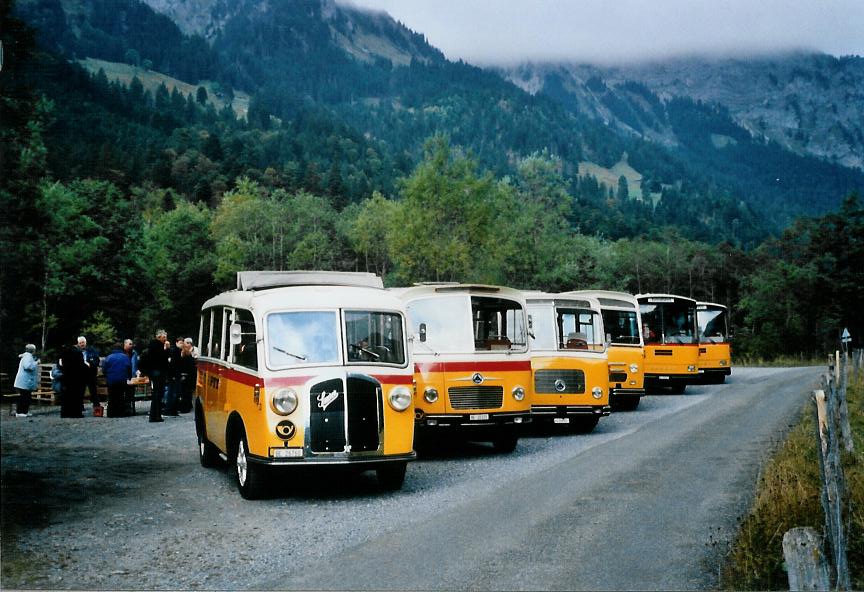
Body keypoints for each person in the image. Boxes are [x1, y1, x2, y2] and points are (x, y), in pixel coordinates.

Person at [142, 329, 170, 423]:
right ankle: (155, 415)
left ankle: (155, 414)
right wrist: (166, 349)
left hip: (155, 371)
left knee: (157, 394)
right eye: (164, 337)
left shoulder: (153, 346)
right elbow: (162, 358)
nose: (165, 338)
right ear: (159, 337)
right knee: (158, 393)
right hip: (158, 371)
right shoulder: (157, 346)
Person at [102, 342, 132, 417]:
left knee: (112, 397)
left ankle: (111, 413)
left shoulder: (108, 357)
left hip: (111, 380)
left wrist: (107, 376)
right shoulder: (125, 357)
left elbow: (104, 369)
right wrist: (129, 377)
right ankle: (121, 413)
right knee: (121, 396)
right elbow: (129, 368)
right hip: (122, 379)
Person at [59, 342, 87, 418]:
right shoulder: (78, 353)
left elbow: (61, 364)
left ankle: (65, 413)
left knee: (66, 396)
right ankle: (76, 413)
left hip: (66, 376)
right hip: (77, 377)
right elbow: (82, 365)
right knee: (77, 396)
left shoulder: (64, 352)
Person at [13, 344, 40, 417]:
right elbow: (27, 366)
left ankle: (24, 411)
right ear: (33, 350)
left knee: (27, 397)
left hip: (25, 381)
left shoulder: (27, 356)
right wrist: (36, 362)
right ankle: (19, 412)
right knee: (24, 397)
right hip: (24, 381)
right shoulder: (28, 357)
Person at [77, 336, 101, 413]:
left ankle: (96, 406)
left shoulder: (92, 350)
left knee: (93, 390)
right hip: (80, 374)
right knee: (80, 391)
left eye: (83, 342)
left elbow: (97, 361)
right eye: (80, 343)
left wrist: (90, 364)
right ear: (78, 344)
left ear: (86, 342)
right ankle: (80, 407)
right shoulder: (76, 351)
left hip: (90, 373)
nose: (82, 344)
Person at [163, 337, 184, 417]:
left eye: (182, 343)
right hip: (174, 375)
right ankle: (171, 409)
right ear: (176, 343)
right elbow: (174, 365)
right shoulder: (176, 352)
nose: (181, 344)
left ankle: (171, 409)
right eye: (180, 343)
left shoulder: (176, 351)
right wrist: (174, 375)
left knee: (173, 392)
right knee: (174, 393)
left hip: (174, 375)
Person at [178, 338, 198, 413]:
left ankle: (184, 407)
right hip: (190, 376)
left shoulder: (183, 358)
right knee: (188, 393)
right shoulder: (190, 358)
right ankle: (187, 406)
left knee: (184, 393)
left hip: (186, 376)